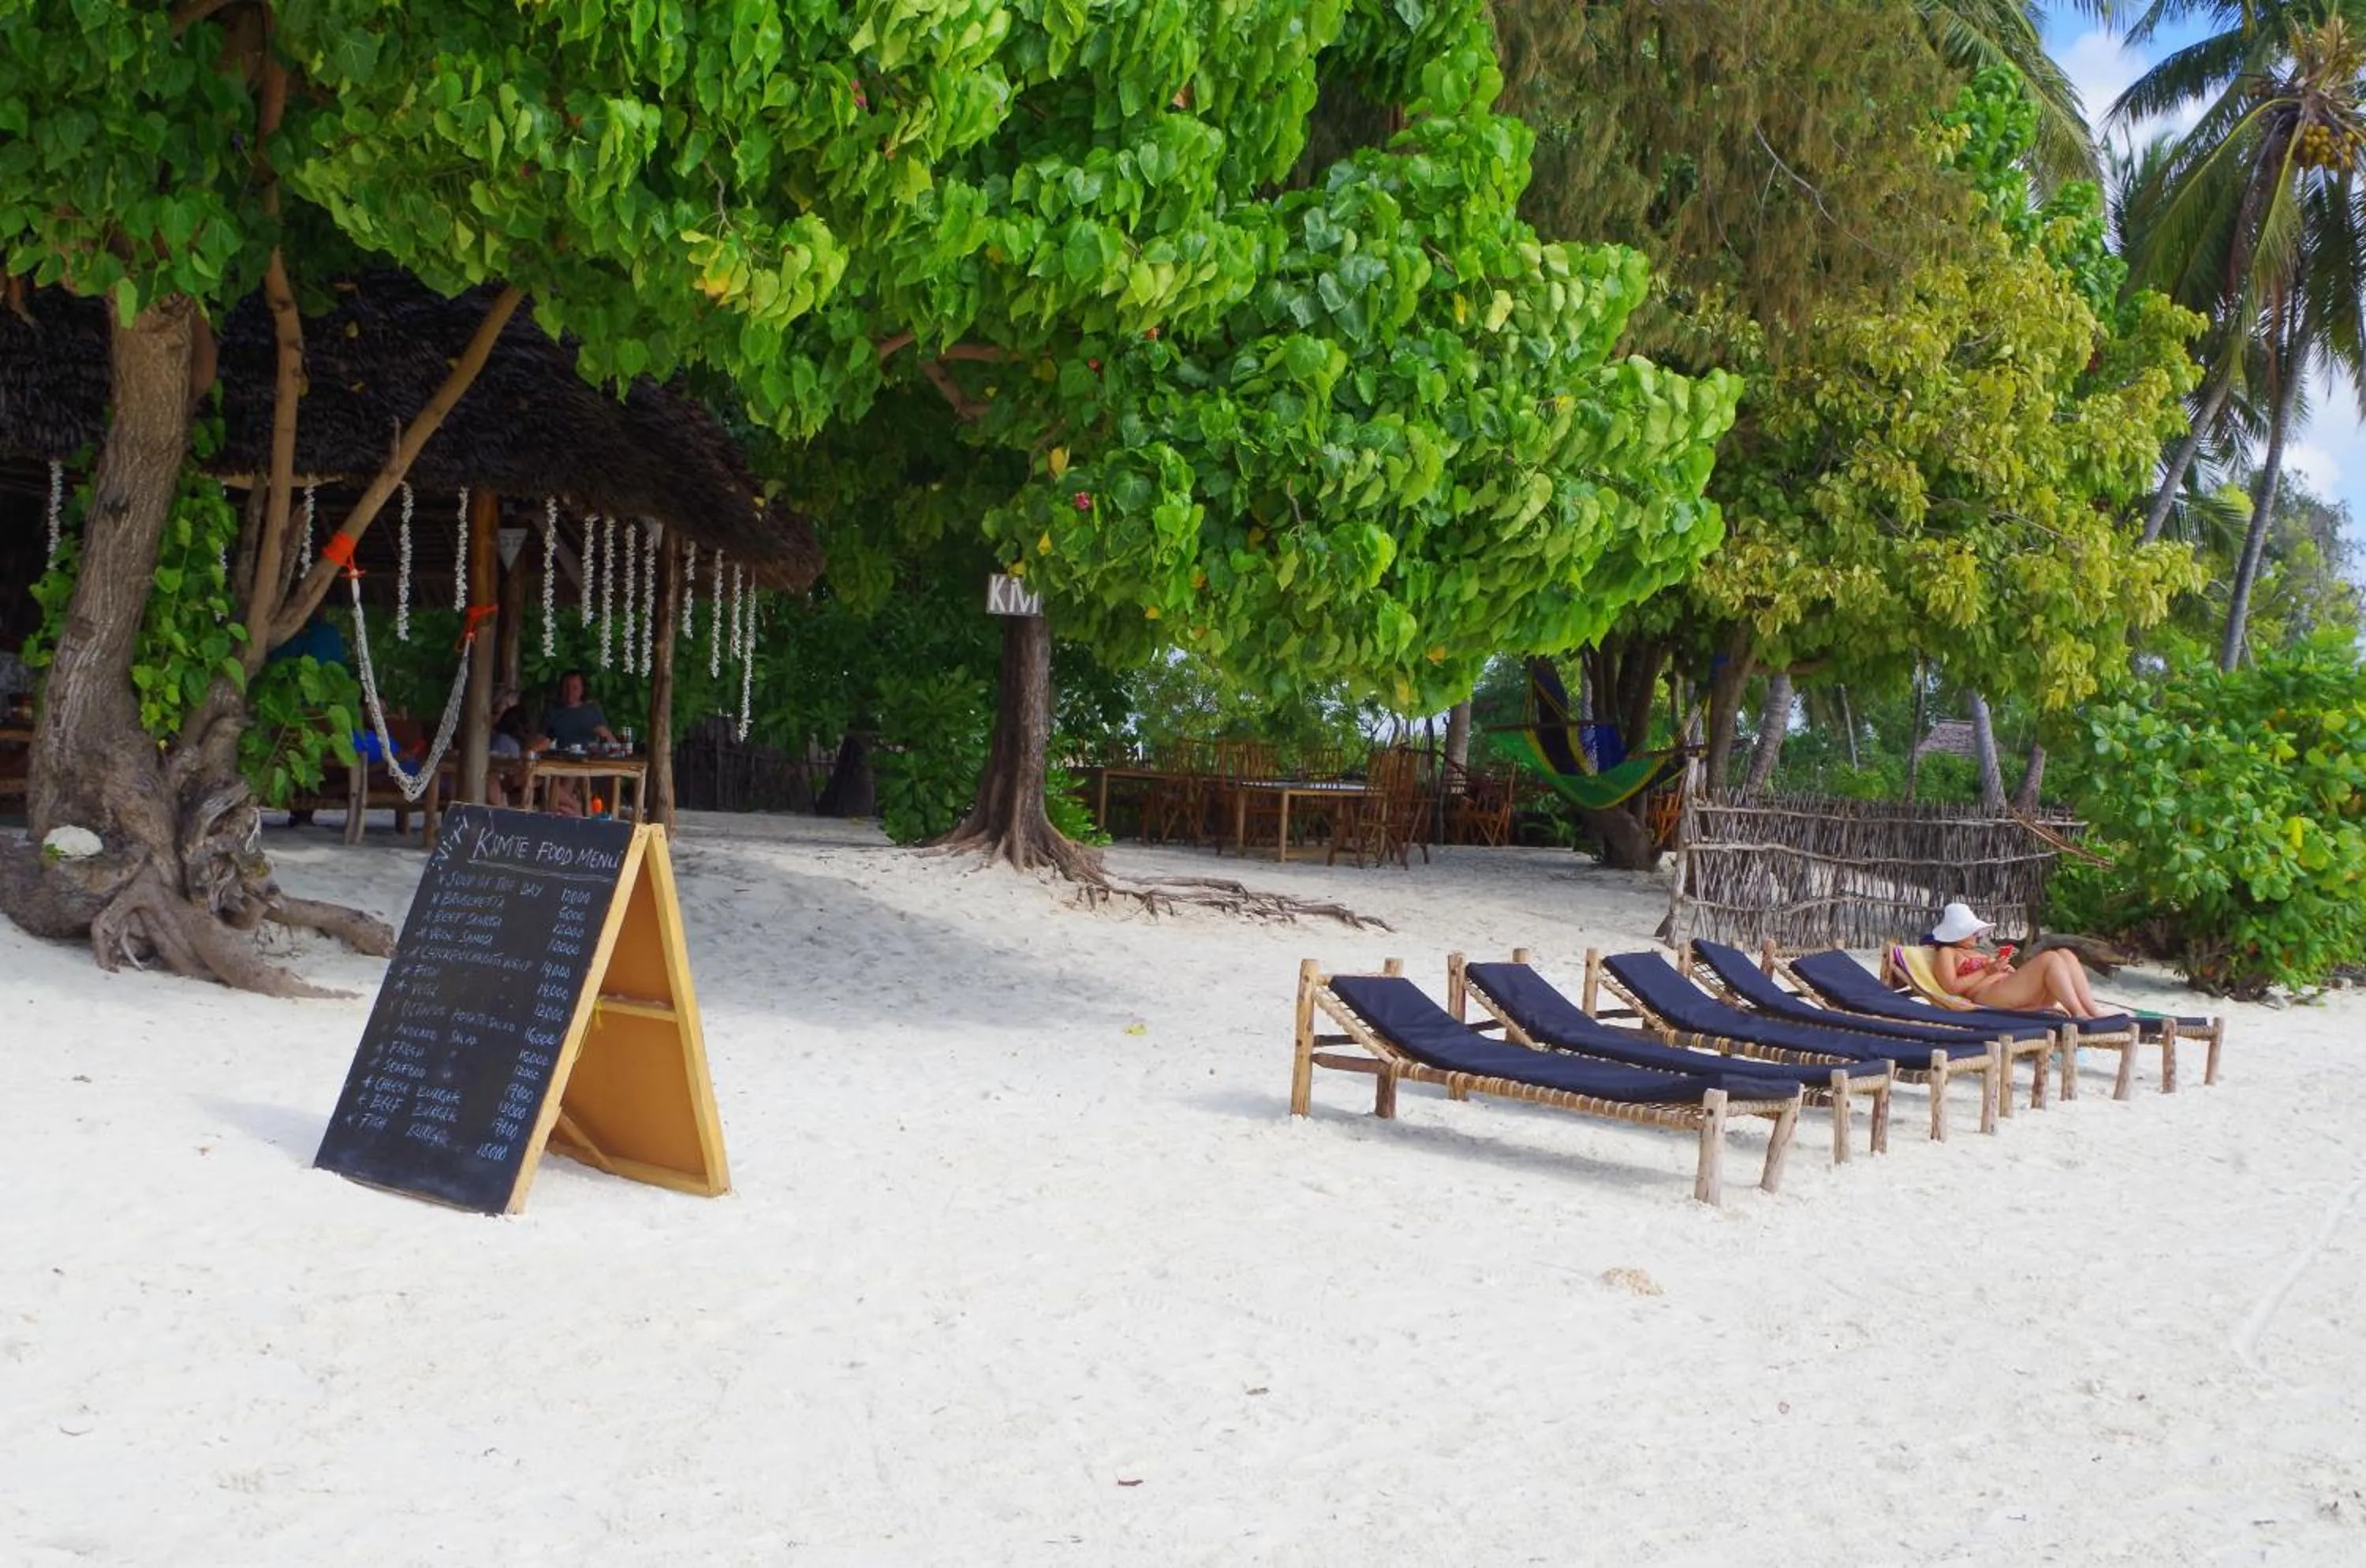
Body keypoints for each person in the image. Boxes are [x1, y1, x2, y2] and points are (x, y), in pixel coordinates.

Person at [1926, 901, 2106, 1019]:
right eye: (1972, 931)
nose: (1976, 935)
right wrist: (1987, 971)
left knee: (2065, 953)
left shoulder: (1973, 951)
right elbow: (1950, 987)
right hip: (1987, 995)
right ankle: (2078, 1013)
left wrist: (2004, 968)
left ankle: (2092, 1011)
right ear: (1957, 933)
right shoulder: (1947, 952)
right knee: (2049, 958)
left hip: (2009, 990)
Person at [531, 670, 617, 816]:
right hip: (555, 762)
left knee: (567, 780)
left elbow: (612, 744)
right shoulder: (553, 709)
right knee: (551, 783)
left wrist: (606, 734)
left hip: (585, 765)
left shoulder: (591, 711)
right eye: (567, 687)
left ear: (583, 690)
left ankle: (577, 812)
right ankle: (581, 812)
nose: (570, 692)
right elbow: (539, 739)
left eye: (575, 688)